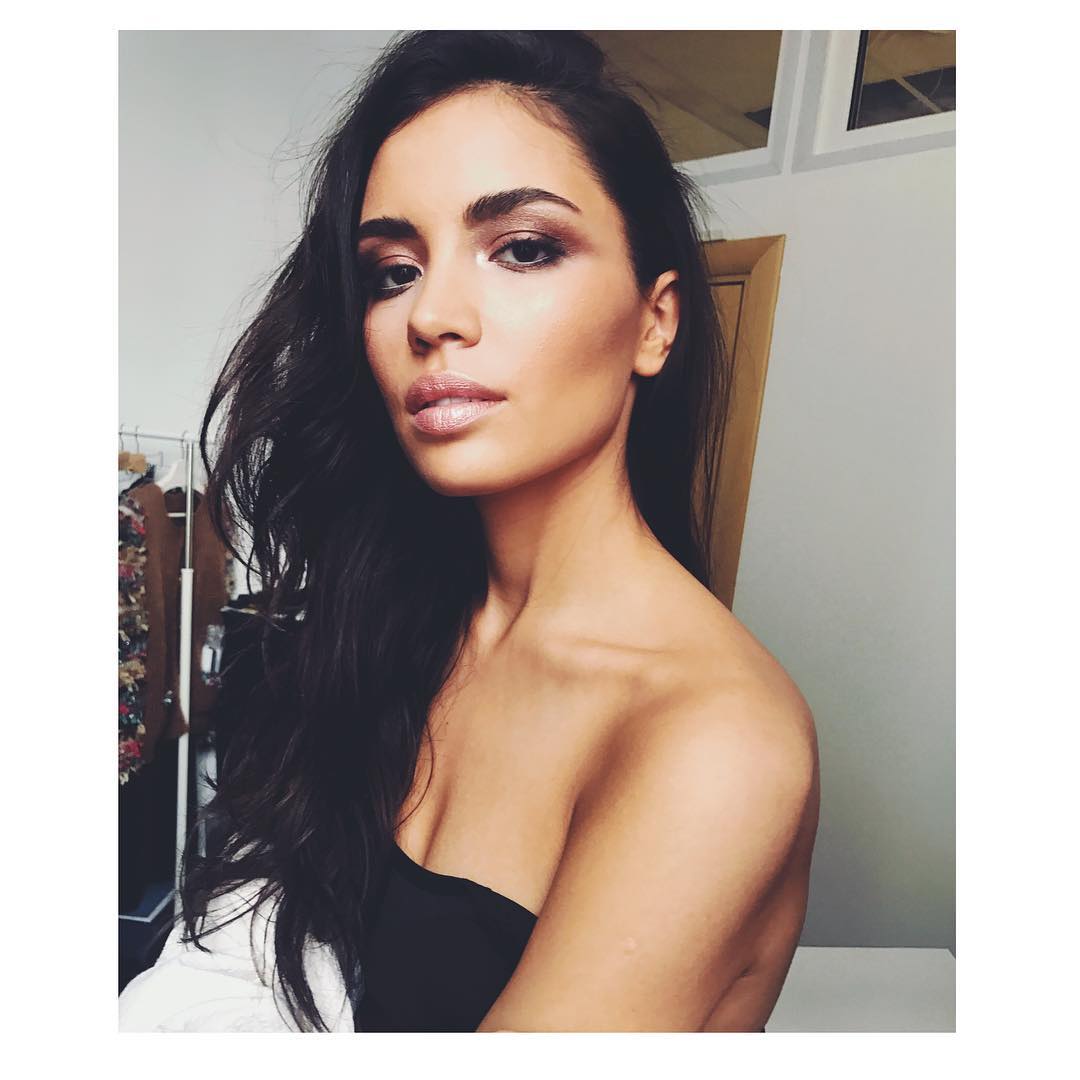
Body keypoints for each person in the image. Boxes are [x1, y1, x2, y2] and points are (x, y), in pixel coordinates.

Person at [118, 29, 820, 1033]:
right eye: (393, 271)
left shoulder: (714, 743)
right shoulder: (412, 621)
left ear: (655, 322)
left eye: (524, 248)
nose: (432, 315)